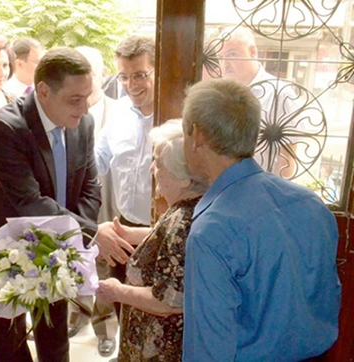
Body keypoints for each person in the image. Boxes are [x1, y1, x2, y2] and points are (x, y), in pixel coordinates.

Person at [0, 47, 134, 362]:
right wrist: (92, 232)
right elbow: (28, 200)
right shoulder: (4, 128)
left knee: (55, 342)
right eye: (74, 99)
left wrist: (76, 240)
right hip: (5, 255)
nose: (84, 108)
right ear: (43, 91)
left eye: (88, 97)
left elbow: (90, 186)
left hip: (58, 248)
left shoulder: (85, 123)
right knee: (9, 347)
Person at [181, 79, 341, 360]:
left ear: (197, 135)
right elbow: (328, 299)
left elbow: (209, 345)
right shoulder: (312, 204)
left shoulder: (212, 232)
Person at [97, 120, 207, 362]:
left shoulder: (182, 222)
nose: (151, 169)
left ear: (183, 178)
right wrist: (130, 233)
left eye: (157, 162)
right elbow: (168, 240)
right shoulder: (191, 207)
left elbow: (168, 301)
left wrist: (118, 291)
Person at [94, 35, 156, 325]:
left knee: (157, 320)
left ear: (158, 70)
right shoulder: (117, 112)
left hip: (162, 232)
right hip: (123, 230)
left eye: (141, 75)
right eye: (124, 77)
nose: (132, 85)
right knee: (124, 313)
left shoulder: (180, 114)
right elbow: (98, 161)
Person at [66, 46, 119, 357]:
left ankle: (105, 330)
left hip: (110, 208)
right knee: (75, 269)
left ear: (101, 75)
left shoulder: (117, 110)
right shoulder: (64, 112)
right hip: (77, 214)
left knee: (105, 275)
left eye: (93, 72)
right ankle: (76, 316)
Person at [218, 26, 300, 177]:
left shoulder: (280, 93)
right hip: (223, 191)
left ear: (253, 52)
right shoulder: (219, 95)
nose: (226, 63)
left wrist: (270, 195)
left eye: (232, 54)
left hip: (262, 192)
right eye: (221, 57)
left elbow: (287, 160)